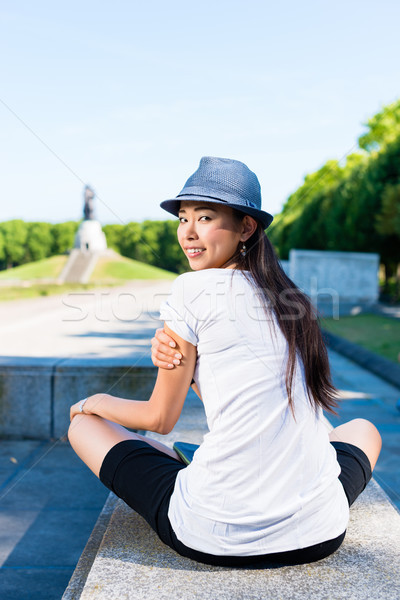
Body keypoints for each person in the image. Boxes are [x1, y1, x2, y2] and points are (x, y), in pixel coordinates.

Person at [69, 156, 382, 567]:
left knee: (87, 428)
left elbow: (160, 418)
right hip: (321, 533)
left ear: (246, 228)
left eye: (205, 217)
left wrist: (95, 402)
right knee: (362, 429)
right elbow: (232, 384)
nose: (189, 232)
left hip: (214, 534)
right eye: (183, 219)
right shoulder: (289, 300)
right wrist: (185, 366)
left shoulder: (191, 289)